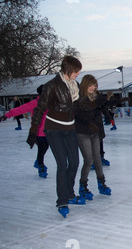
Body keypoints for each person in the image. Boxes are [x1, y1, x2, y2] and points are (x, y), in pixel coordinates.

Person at [28, 55, 86, 218]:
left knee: (74, 162)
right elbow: (40, 108)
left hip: (70, 128)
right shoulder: (51, 86)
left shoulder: (76, 85)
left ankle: (69, 193)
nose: (77, 74)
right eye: (76, 71)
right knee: (62, 164)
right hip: (54, 129)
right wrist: (33, 130)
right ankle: (62, 200)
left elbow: (80, 106)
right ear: (68, 70)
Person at [75, 74, 112, 200]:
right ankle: (83, 186)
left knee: (98, 159)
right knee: (88, 160)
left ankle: (101, 183)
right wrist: (96, 103)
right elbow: (84, 115)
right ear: (85, 85)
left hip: (95, 133)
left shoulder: (96, 98)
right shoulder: (78, 99)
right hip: (82, 133)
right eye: (91, 85)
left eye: (95, 85)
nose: (93, 87)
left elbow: (99, 113)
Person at [0, 86, 49, 178]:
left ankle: (38, 161)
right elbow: (21, 109)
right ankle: (41, 166)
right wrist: (7, 115)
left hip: (49, 131)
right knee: (42, 147)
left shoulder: (51, 104)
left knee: (46, 146)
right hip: (38, 130)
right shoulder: (35, 103)